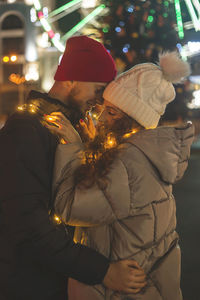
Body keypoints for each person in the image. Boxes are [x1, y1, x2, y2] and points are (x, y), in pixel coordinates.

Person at [0, 36, 146, 300]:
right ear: (70, 80)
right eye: (98, 89)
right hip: (31, 285)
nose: (100, 101)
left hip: (61, 280)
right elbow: (28, 225)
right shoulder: (25, 129)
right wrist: (103, 271)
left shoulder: (74, 128)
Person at [48, 51, 194, 299]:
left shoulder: (130, 161)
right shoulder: (144, 154)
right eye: (105, 109)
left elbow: (70, 206)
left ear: (133, 121)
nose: (102, 118)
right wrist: (95, 148)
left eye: (113, 113)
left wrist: (74, 148)